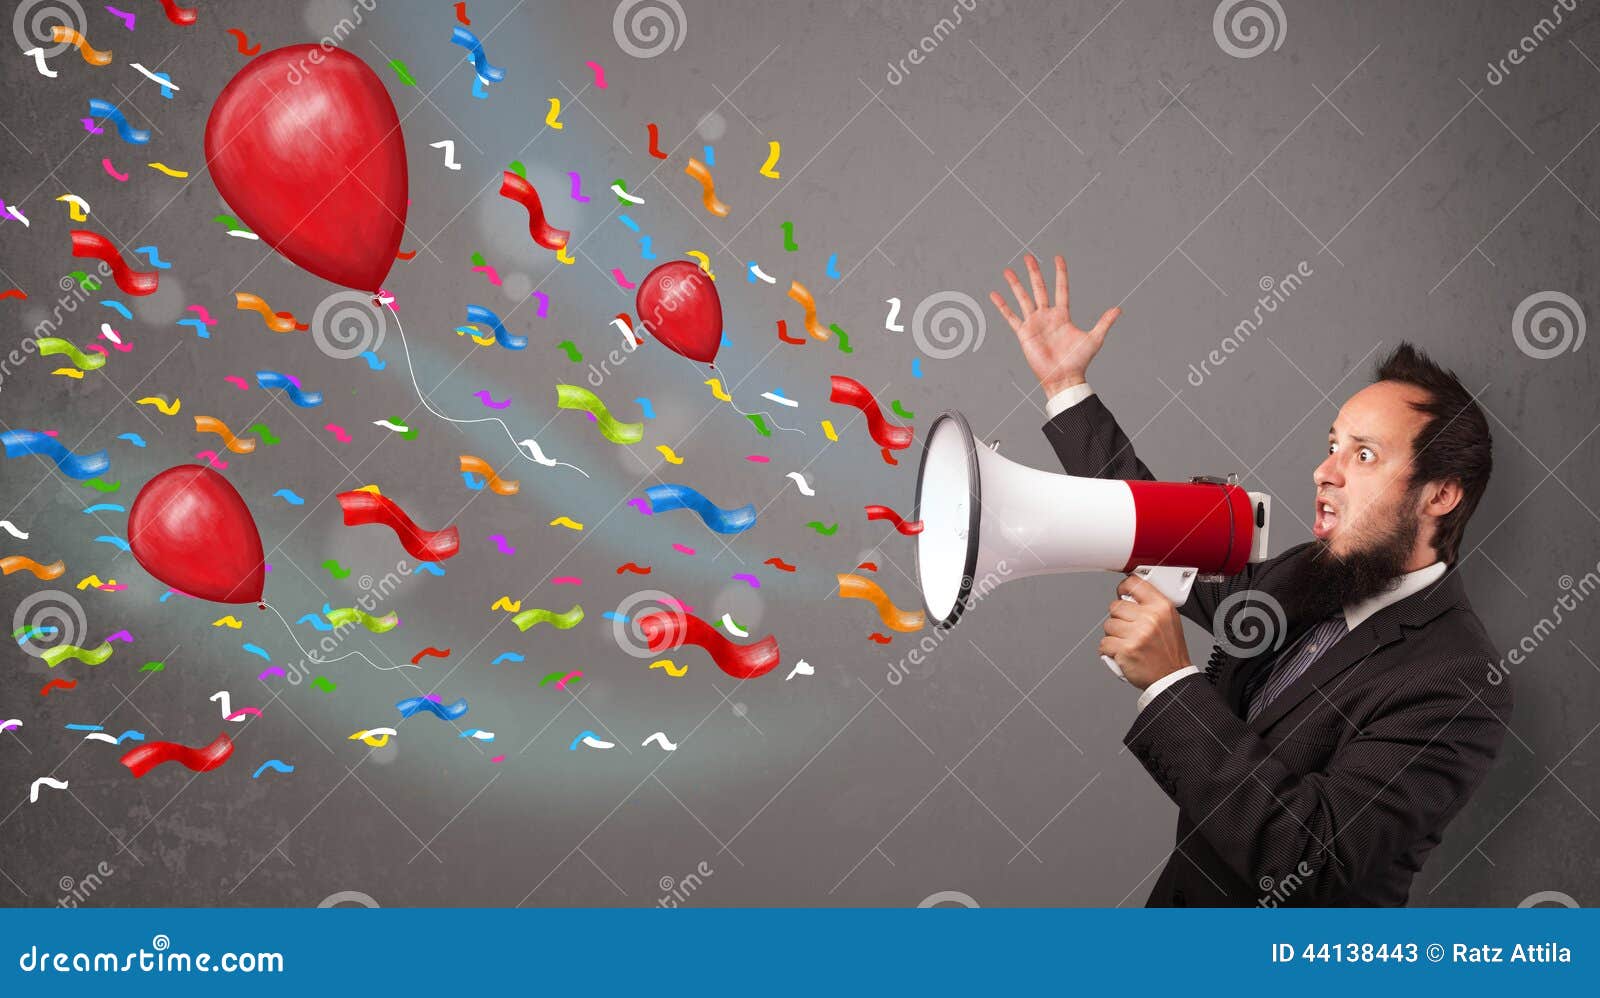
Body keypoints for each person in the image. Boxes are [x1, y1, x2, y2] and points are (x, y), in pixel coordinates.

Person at [991, 254, 1509, 906]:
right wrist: (1068, 386)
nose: (1325, 471)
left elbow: (1312, 861)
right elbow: (1161, 543)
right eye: (1332, 444)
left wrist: (1171, 682)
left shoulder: (1459, 683)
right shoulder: (1307, 575)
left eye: (1365, 454)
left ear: (1440, 495)